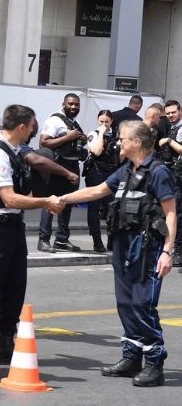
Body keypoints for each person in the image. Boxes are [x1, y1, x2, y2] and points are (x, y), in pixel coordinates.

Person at [59, 120, 177, 387]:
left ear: (136, 142)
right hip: (123, 244)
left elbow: (170, 214)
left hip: (147, 247)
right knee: (125, 302)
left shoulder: (158, 172)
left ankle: (154, 363)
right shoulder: (126, 170)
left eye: (122, 138)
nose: (118, 143)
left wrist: (167, 252)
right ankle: (132, 356)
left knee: (142, 304)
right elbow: (98, 190)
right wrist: (64, 198)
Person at [0, 120, 78, 335]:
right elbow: (35, 161)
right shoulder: (3, 146)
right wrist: (67, 174)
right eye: (30, 135)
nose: (29, 141)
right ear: (22, 129)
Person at [0, 104, 64, 367]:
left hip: (13, 227)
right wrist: (45, 202)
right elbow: (9, 199)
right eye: (32, 126)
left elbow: (24, 192)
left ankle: (5, 343)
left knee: (14, 286)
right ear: (22, 127)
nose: (34, 131)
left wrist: (45, 195)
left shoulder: (14, 152)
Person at [37, 93, 86, 252]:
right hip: (58, 165)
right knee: (51, 202)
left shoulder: (74, 123)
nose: (74, 107)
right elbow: (43, 142)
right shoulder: (54, 120)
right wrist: (68, 137)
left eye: (76, 104)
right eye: (70, 104)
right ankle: (43, 239)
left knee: (68, 202)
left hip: (73, 165)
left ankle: (62, 239)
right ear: (63, 104)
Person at [83, 110, 119, 253]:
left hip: (111, 173)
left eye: (107, 122)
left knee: (112, 207)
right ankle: (96, 241)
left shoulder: (116, 136)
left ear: (111, 122)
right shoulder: (94, 134)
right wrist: (102, 133)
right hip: (96, 173)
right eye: (101, 121)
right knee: (94, 208)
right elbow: (97, 152)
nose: (104, 124)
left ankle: (111, 239)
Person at [157, 100, 182, 265]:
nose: (171, 115)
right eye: (168, 113)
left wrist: (168, 141)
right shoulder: (172, 128)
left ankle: (178, 249)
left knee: (177, 212)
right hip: (171, 174)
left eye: (174, 112)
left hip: (178, 176)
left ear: (180, 111)